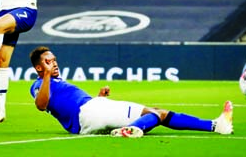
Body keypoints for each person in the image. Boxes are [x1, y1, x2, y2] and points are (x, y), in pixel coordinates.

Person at [29, 46, 233, 137]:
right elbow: (41, 105)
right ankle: (134, 130)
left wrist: (98, 97)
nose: (53, 64)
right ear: (39, 67)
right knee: (156, 114)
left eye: (54, 60)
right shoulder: (39, 84)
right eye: (48, 61)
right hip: (89, 113)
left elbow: (67, 105)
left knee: (155, 112)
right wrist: (46, 75)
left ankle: (215, 125)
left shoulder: (56, 82)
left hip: (90, 116)